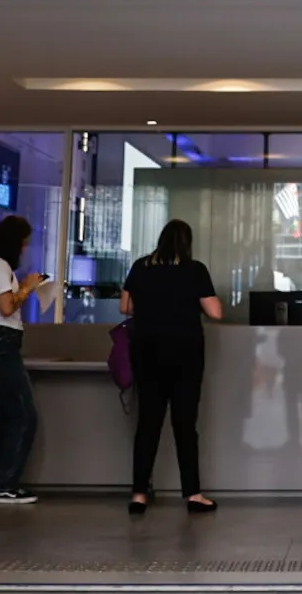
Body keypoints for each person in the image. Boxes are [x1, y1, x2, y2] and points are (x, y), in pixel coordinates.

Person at [122, 219, 223, 515]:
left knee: (147, 425)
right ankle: (193, 494)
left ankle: (139, 494)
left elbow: (125, 306)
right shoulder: (194, 270)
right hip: (185, 355)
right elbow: (214, 312)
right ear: (186, 243)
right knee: (184, 425)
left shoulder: (141, 266)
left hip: (147, 352)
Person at [0, 215, 49, 504]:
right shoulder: (0, 267)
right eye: (25, 241)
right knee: (23, 414)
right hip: (2, 345)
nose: (26, 247)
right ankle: (6, 484)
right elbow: (6, 307)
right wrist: (27, 287)